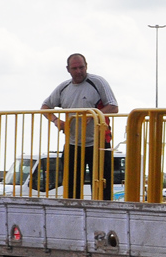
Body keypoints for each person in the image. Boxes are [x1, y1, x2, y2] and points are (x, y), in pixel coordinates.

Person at [41, 53, 119, 200]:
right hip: (73, 144)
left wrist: (93, 114)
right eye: (74, 68)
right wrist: (57, 121)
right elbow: (45, 107)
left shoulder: (97, 82)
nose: (78, 71)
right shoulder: (64, 88)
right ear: (68, 69)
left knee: (103, 190)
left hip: (99, 144)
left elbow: (114, 107)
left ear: (86, 66)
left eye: (81, 67)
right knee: (71, 191)